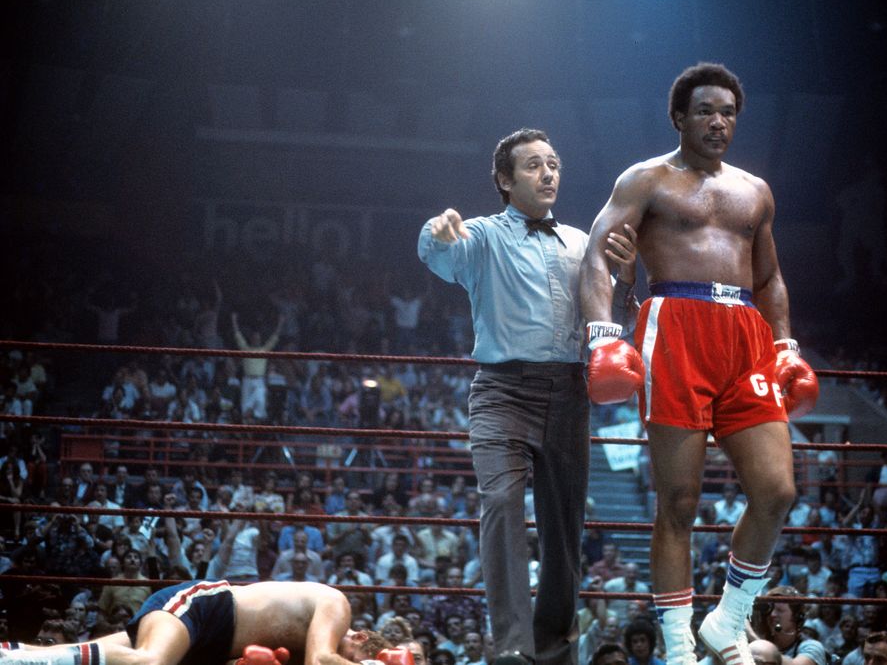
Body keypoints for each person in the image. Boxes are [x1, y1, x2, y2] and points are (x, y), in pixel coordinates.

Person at [580, 62, 818, 665]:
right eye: (707, 110)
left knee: (776, 491)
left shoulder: (755, 191)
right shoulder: (645, 180)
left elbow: (769, 277)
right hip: (674, 325)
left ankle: (730, 617)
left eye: (729, 112)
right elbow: (596, 256)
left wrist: (786, 345)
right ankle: (680, 645)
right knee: (679, 501)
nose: (719, 121)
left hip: (744, 333)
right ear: (680, 117)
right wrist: (603, 335)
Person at [418, 128, 636, 665]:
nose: (548, 174)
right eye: (534, 165)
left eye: (554, 164)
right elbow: (436, 251)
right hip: (501, 393)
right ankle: (513, 649)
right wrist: (438, 231)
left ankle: (554, 648)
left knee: (565, 531)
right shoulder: (482, 237)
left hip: (568, 393)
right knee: (500, 504)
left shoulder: (584, 243)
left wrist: (626, 277)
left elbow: (610, 323)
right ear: (504, 179)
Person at [0, 581, 412, 665]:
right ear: (359, 636)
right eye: (356, 657)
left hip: (213, 644)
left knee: (108, 656)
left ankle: (13, 656)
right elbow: (323, 659)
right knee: (149, 664)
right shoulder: (337, 607)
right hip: (208, 607)